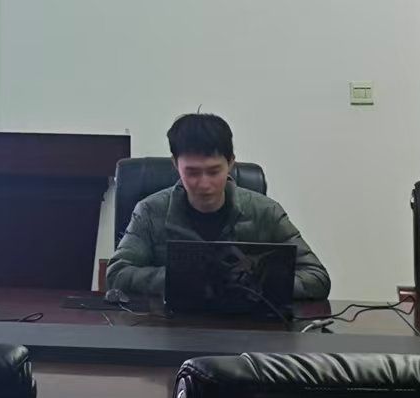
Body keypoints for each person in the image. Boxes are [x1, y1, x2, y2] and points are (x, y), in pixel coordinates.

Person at [105, 111, 329, 301]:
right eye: (192, 172)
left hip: (249, 326)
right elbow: (117, 274)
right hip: (172, 326)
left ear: (230, 163)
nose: (204, 184)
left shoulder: (265, 212)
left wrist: (253, 283)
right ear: (175, 164)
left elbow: (316, 277)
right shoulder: (150, 211)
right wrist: (181, 279)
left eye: (214, 172)